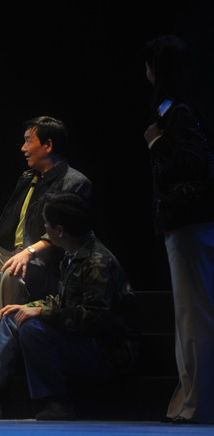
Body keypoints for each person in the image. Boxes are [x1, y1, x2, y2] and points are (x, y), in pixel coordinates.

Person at [0, 192, 139, 421]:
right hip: (83, 338)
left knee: (32, 329)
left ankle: (59, 402)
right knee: (11, 315)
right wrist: (30, 306)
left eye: (46, 224)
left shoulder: (97, 262)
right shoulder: (72, 253)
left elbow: (94, 318)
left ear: (60, 230)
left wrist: (41, 312)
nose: (44, 229)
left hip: (107, 351)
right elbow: (64, 300)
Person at [0, 116, 92, 335]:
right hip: (16, 256)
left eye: (28, 141)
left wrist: (28, 253)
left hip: (48, 268)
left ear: (48, 145)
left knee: (14, 270)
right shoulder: (30, 178)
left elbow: (65, 234)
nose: (23, 148)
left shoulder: (75, 182)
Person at [142, 35, 214, 424]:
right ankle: (195, 401)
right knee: (194, 314)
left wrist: (156, 145)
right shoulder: (182, 109)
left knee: (193, 316)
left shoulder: (177, 113)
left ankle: (198, 404)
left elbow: (193, 164)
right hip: (190, 225)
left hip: (188, 224)